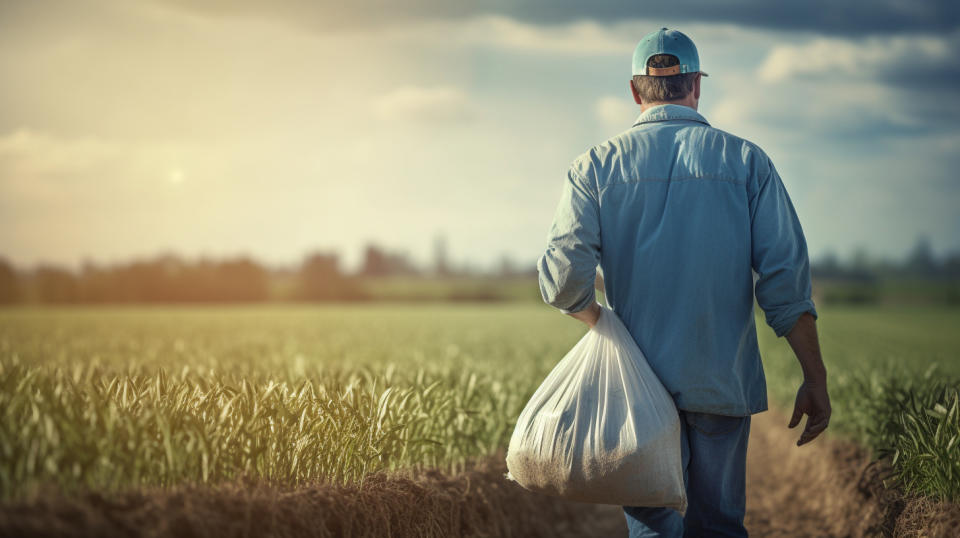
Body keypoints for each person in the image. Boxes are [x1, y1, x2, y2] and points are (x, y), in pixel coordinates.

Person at [535, 27, 831, 537]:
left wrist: (599, 320)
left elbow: (564, 281)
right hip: (720, 382)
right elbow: (785, 284)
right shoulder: (748, 162)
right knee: (718, 527)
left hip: (636, 389)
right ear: (696, 84)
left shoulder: (594, 167)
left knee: (653, 531)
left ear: (635, 91)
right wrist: (814, 377)